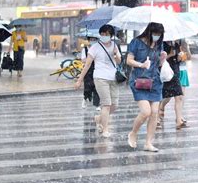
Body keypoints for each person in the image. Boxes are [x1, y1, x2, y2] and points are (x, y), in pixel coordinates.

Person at [74, 25, 121, 138]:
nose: (104, 36)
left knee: (115, 105)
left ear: (111, 35)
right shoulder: (95, 47)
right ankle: (105, 129)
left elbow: (119, 62)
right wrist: (80, 80)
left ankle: (98, 119)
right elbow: (87, 64)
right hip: (100, 78)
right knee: (106, 104)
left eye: (107, 34)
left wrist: (116, 54)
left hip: (113, 78)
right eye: (102, 34)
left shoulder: (114, 45)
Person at [126, 22, 167, 152]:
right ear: (149, 32)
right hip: (140, 81)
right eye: (155, 34)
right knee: (145, 112)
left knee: (154, 113)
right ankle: (133, 133)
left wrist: (163, 59)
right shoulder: (136, 42)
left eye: (159, 35)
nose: (157, 37)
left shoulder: (159, 44)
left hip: (155, 81)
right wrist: (141, 64)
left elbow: (158, 64)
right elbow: (128, 60)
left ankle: (148, 143)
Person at [158, 40, 185, 130]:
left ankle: (178, 121)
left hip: (175, 73)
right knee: (164, 97)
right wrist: (169, 54)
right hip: (165, 74)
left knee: (179, 96)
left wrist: (179, 57)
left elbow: (177, 61)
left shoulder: (176, 44)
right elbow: (158, 61)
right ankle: (157, 116)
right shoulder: (161, 44)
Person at [80, 37, 100, 110]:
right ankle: (85, 99)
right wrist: (90, 58)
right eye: (91, 40)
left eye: (94, 40)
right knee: (87, 88)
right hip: (88, 71)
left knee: (96, 87)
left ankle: (97, 104)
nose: (92, 41)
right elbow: (83, 60)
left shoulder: (98, 49)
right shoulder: (85, 49)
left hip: (96, 70)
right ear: (88, 41)